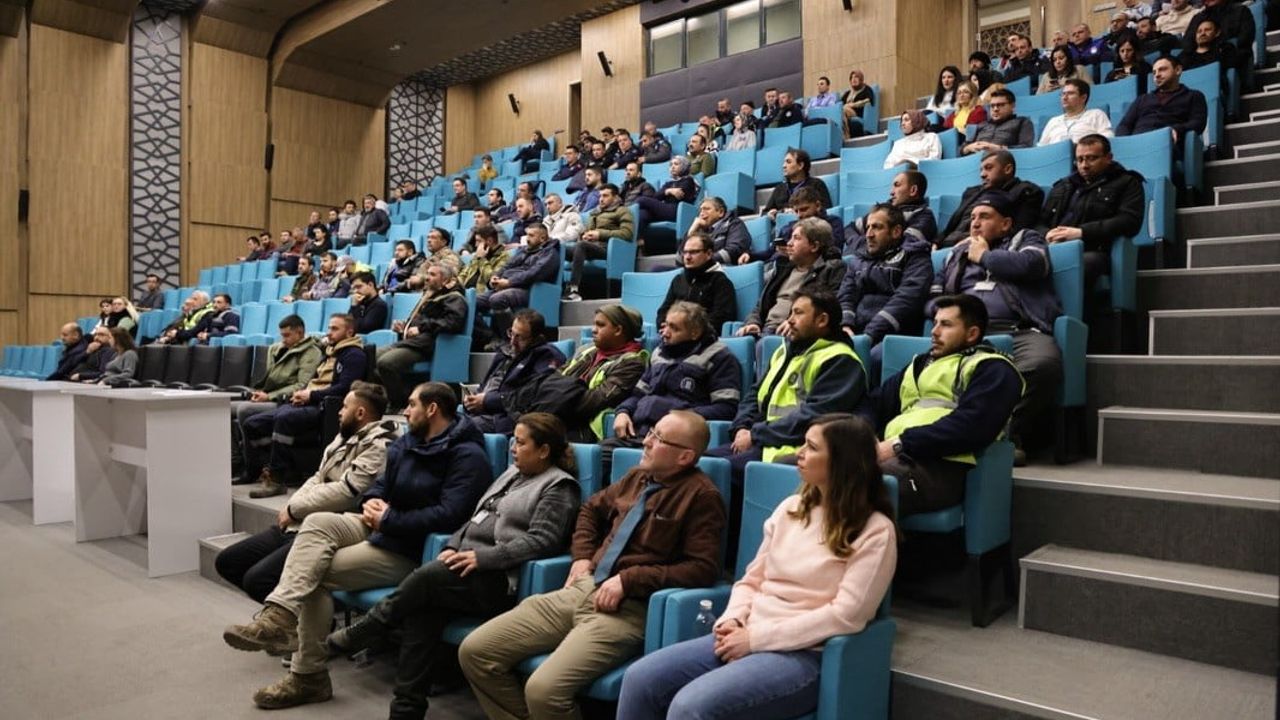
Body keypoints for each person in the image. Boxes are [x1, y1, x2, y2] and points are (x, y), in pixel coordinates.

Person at [223, 382, 492, 710]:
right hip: (379, 527)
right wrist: (374, 502)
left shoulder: (467, 455)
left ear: (432, 409)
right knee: (317, 521)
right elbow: (376, 486)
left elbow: (452, 515)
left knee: (316, 574)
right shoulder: (408, 442)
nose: (405, 411)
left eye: (410, 404)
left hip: (412, 547)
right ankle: (279, 615)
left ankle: (308, 676)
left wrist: (389, 518)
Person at [617, 414, 897, 720]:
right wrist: (734, 618)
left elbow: (847, 615)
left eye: (812, 447)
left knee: (690, 707)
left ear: (843, 463)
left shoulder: (875, 530)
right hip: (746, 633)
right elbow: (751, 580)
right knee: (641, 679)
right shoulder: (790, 508)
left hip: (805, 654)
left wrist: (756, 639)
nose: (799, 453)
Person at [458, 410, 725, 720]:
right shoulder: (637, 478)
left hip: (628, 608)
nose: (647, 442)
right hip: (585, 588)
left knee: (543, 690)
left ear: (685, 457)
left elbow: (702, 568)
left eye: (659, 438)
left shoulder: (702, 496)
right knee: (476, 651)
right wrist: (582, 556)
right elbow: (590, 511)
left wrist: (630, 579)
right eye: (651, 432)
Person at [328, 412, 582, 720]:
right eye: (513, 440)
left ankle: (370, 627)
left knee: (426, 580)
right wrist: (452, 546)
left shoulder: (559, 486)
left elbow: (543, 541)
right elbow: (474, 518)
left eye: (521, 442)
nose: (513, 448)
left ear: (543, 450)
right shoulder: (511, 474)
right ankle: (405, 711)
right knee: (424, 609)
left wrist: (483, 558)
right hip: (464, 571)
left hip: (499, 580)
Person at [218, 383, 399, 601]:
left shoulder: (380, 445)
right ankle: (289, 617)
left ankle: (291, 621)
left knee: (257, 581)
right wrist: (292, 507)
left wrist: (295, 509)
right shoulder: (345, 436)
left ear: (360, 413)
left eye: (344, 407)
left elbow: (346, 492)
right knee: (228, 562)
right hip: (300, 520)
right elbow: (318, 476)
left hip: (326, 525)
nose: (339, 412)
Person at [930, 192, 1063, 463]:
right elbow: (933, 299)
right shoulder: (956, 253)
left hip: (1019, 329)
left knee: (1044, 364)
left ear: (1005, 224)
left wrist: (985, 257)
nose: (975, 223)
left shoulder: (1026, 239)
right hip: (967, 334)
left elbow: (1033, 265)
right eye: (973, 217)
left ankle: (1002, 432)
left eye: (985, 217)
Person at [870, 295, 1023, 516]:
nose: (934, 331)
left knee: (855, 483)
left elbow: (971, 427)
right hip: (894, 458)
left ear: (972, 334)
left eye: (946, 325)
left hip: (940, 468)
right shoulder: (918, 365)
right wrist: (863, 435)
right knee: (815, 467)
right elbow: (873, 404)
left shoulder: (994, 368)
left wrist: (899, 443)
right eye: (935, 323)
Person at [711, 291, 867, 483]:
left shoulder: (840, 360)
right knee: (700, 462)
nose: (790, 320)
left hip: (793, 447)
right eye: (790, 313)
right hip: (761, 440)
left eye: (798, 313)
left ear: (822, 320)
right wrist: (741, 427)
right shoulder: (785, 351)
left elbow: (816, 416)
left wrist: (756, 434)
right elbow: (754, 394)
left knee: (715, 474)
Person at [241, 314, 369, 496]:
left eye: (335, 329)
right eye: (329, 328)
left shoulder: (354, 354)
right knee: (252, 424)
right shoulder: (331, 351)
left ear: (349, 332)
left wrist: (311, 395)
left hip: (324, 406)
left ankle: (277, 478)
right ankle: (281, 467)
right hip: (306, 401)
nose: (329, 333)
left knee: (283, 418)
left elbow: (345, 388)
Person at [604, 303, 741, 472]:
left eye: (674, 328)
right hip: (639, 434)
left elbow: (726, 407)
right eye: (665, 325)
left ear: (695, 332)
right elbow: (638, 394)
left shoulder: (719, 357)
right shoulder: (658, 353)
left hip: (672, 443)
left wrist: (677, 417)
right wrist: (623, 411)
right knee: (594, 457)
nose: (665, 333)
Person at [1039, 134, 1145, 293]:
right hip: (1052, 246)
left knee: (1078, 264)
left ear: (1108, 158)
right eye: (1079, 159)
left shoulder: (1128, 182)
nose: (1084, 165)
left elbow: (1129, 221)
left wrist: (1081, 232)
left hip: (1094, 250)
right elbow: (1039, 221)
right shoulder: (1064, 185)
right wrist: (1047, 233)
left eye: (1091, 158)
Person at [231, 315, 324, 483]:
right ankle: (236, 459)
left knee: (244, 410)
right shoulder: (276, 348)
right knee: (226, 407)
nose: (284, 339)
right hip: (269, 396)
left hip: (286, 400)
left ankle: (251, 467)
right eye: (282, 335)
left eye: (287, 335)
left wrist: (268, 396)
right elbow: (270, 380)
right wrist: (260, 393)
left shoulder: (311, 352)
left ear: (300, 332)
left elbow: (302, 385)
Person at [838, 203, 932, 350]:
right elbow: (846, 294)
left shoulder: (915, 256)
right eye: (868, 227)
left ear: (896, 231)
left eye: (876, 227)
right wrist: (845, 325)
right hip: (856, 332)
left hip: (893, 336)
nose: (868, 234)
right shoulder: (859, 258)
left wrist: (869, 335)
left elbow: (907, 298)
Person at [377, 263, 468, 412]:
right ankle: (386, 399)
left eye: (432, 275)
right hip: (411, 342)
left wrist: (421, 328)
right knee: (370, 356)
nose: (427, 278)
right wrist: (403, 327)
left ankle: (399, 403)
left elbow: (452, 323)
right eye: (427, 274)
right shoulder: (429, 296)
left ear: (445, 280)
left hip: (426, 346)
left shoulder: (454, 298)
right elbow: (419, 323)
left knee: (386, 363)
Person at [739, 218, 846, 338]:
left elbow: (829, 309)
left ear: (814, 246)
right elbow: (760, 306)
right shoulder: (782, 269)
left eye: (796, 238)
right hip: (765, 331)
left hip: (795, 334)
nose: (789, 243)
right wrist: (753, 323)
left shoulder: (831, 269)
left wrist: (794, 322)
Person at [557, 304, 650, 442]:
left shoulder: (631, 363)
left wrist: (552, 401)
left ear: (618, 330)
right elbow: (556, 375)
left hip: (582, 427)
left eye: (600, 325)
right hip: (560, 414)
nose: (593, 330)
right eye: (594, 324)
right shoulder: (586, 350)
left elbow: (594, 400)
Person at [464, 310, 567, 434]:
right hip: (483, 412)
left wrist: (487, 401)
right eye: (511, 333)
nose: (513, 341)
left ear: (536, 339)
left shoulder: (546, 356)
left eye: (520, 337)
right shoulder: (505, 352)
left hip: (507, 418)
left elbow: (529, 394)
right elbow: (487, 382)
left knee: (459, 429)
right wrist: (473, 399)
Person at [938, 150, 1045, 248]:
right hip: (947, 246)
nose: (982, 174)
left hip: (977, 248)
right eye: (981, 170)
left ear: (1007, 169)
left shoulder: (1027, 191)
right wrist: (936, 242)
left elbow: (1017, 233)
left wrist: (971, 242)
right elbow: (951, 226)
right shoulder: (971, 192)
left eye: (989, 168)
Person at [475, 225, 560, 347]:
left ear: (542, 238)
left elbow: (534, 274)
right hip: (507, 286)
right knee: (471, 302)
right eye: (527, 235)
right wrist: (495, 278)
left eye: (531, 235)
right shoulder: (523, 250)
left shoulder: (550, 253)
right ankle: (491, 337)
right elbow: (506, 266)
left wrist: (509, 282)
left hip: (528, 289)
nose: (527, 238)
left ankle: (509, 341)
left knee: (497, 299)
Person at [1115, 55, 1207, 148]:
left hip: (1167, 144)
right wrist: (1124, 144)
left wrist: (1177, 129)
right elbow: (1124, 125)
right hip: (1136, 143)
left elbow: (1198, 123)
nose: (1157, 75)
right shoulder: (1142, 99)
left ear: (1178, 70)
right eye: (1154, 72)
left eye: (1162, 69)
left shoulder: (1193, 96)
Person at [657, 232, 739, 333]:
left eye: (693, 252)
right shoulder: (678, 280)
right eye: (685, 252)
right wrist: (665, 327)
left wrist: (686, 331)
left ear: (708, 254)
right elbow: (663, 312)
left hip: (702, 340)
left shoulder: (720, 282)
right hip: (673, 336)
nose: (687, 257)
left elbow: (720, 318)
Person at [565, 184, 634, 302]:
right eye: (600, 196)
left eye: (605, 196)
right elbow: (587, 232)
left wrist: (600, 234)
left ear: (615, 197)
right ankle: (558, 289)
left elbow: (627, 234)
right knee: (560, 248)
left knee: (581, 246)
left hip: (608, 249)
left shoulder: (622, 211)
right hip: (590, 247)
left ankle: (573, 289)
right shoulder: (594, 213)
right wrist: (585, 235)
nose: (601, 199)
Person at [843, 170, 938, 255]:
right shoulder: (883, 211)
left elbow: (905, 244)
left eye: (897, 185)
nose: (891, 192)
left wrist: (870, 244)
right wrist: (863, 243)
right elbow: (849, 228)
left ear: (913, 190)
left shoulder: (924, 216)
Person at [1038, 79, 1114, 146]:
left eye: (1070, 93)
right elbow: (1041, 149)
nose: (1064, 97)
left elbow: (1107, 140)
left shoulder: (1096, 114)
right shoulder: (1053, 121)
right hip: (1056, 159)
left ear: (1083, 97)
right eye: (1063, 94)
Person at [761, 149, 832, 218]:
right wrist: (770, 214)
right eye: (784, 162)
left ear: (800, 165)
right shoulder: (779, 188)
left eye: (788, 162)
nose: (784, 166)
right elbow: (764, 213)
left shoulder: (816, 184)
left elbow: (826, 209)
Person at [961, 89, 1035, 155]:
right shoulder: (982, 125)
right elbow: (962, 149)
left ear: (1012, 106)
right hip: (975, 161)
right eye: (992, 106)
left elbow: (1026, 147)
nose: (995, 109)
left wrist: (999, 149)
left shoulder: (1022, 122)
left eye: (1000, 105)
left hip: (1003, 162)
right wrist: (968, 148)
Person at [635, 155, 698, 231]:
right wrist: (668, 191)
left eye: (676, 164)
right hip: (665, 209)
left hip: (677, 211)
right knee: (643, 214)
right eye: (671, 165)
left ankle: (627, 213)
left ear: (684, 166)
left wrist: (665, 193)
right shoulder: (669, 183)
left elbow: (679, 194)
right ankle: (640, 240)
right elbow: (656, 197)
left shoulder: (688, 180)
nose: (672, 167)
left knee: (642, 200)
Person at [685, 196, 749, 268]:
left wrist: (702, 261)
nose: (701, 214)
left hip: (723, 270)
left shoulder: (734, 223)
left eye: (706, 209)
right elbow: (679, 259)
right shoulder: (699, 230)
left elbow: (734, 250)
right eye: (700, 210)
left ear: (721, 212)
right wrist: (691, 232)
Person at [458, 225, 512, 295]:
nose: (476, 245)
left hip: (482, 295)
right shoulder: (477, 255)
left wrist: (482, 259)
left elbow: (493, 279)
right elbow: (464, 273)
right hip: (465, 292)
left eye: (479, 241)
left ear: (490, 240)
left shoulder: (504, 257)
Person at [841, 69, 876, 139]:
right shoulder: (847, 93)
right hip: (845, 113)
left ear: (861, 79)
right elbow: (839, 104)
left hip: (857, 112)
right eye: (852, 77)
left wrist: (853, 105)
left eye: (856, 77)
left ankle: (846, 135)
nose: (853, 79)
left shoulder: (866, 89)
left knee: (843, 109)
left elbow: (869, 100)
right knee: (840, 110)